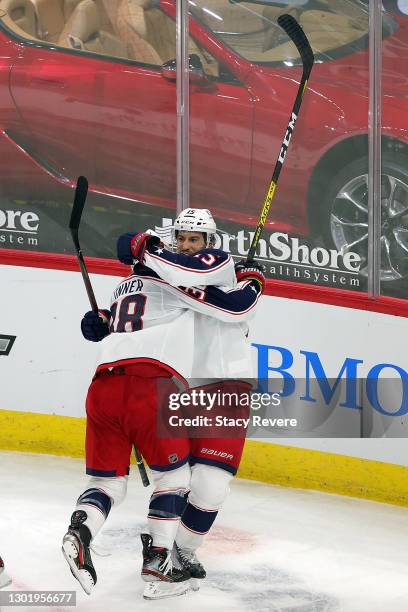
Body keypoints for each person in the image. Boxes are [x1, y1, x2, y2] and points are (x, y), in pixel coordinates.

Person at [62, 208, 264, 600]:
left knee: (209, 485)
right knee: (177, 478)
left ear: (210, 244)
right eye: (182, 239)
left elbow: (234, 304)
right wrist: (106, 317)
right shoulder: (169, 276)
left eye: (196, 239)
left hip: (224, 386)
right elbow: (150, 308)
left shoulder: (212, 268)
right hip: (176, 385)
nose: (188, 245)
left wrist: (251, 283)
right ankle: (160, 557)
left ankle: (179, 553)